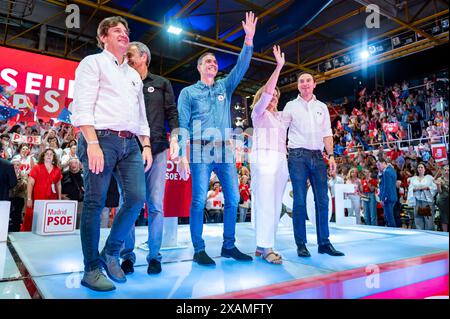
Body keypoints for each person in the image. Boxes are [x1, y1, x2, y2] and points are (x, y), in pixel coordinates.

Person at [70, 16, 152, 292]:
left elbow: (140, 116)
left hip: (130, 145)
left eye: (126, 31)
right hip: (100, 139)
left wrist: (147, 144)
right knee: (95, 203)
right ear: (103, 37)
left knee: (138, 197)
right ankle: (91, 268)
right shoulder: (92, 63)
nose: (124, 34)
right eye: (117, 30)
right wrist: (91, 142)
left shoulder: (133, 75)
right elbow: (81, 105)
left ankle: (110, 252)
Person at [177, 12, 257, 266]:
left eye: (214, 62)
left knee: (233, 199)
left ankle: (229, 246)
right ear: (199, 67)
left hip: (224, 151)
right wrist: (181, 154)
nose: (212, 64)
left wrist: (248, 40)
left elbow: (241, 67)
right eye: (207, 61)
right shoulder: (188, 93)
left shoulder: (224, 87)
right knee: (199, 200)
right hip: (200, 150)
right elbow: (182, 125)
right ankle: (199, 249)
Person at [120, 41, 180, 276]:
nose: (128, 59)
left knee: (155, 206)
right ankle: (127, 256)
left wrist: (175, 138)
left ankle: (154, 256)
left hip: (158, 150)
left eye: (131, 55)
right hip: (129, 151)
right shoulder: (124, 82)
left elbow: (172, 113)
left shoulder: (161, 83)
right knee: (130, 204)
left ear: (144, 57)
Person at [284, 72, 344, 257]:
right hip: (297, 156)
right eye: (301, 81)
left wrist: (331, 156)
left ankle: (324, 243)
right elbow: (281, 130)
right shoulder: (290, 106)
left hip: (318, 156)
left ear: (314, 84)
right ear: (297, 85)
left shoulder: (321, 107)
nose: (305, 83)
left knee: (323, 201)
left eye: (308, 80)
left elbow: (327, 133)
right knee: (300, 201)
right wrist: (284, 151)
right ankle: (301, 244)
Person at [250, 45, 290, 264]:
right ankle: (267, 248)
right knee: (266, 202)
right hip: (263, 157)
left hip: (280, 159)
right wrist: (279, 67)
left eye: (276, 95)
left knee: (274, 204)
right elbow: (266, 92)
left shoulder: (280, 117)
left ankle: (261, 245)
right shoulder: (258, 112)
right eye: (271, 94)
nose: (273, 97)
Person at [21, 149, 62, 231]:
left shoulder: (57, 169)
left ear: (54, 157)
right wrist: (29, 198)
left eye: (51, 154)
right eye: (47, 154)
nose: (49, 155)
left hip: (52, 199)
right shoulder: (37, 168)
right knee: (33, 220)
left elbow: (58, 184)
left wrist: (59, 199)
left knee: (48, 221)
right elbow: (30, 183)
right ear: (43, 156)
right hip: (37, 198)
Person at [407, 163, 437, 230]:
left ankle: (429, 233)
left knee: (427, 219)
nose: (420, 169)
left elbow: (434, 187)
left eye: (421, 167)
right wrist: (415, 189)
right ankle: (419, 233)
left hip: (426, 201)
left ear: (424, 169)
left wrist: (427, 187)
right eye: (418, 167)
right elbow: (410, 188)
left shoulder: (429, 177)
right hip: (417, 201)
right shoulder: (414, 178)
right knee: (418, 218)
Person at [61, 158, 84, 229]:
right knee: (67, 221)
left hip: (80, 202)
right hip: (67, 202)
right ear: (69, 165)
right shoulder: (64, 174)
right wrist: (61, 195)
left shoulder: (84, 174)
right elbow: (57, 186)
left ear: (79, 165)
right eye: (71, 163)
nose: (73, 165)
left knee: (78, 220)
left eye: (75, 163)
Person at [377, 158, 398, 227]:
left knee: (389, 218)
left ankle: (393, 233)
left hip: (388, 198)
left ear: (384, 163)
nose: (378, 167)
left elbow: (387, 186)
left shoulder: (386, 172)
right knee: (389, 217)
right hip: (392, 196)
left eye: (379, 165)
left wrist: (383, 198)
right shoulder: (391, 170)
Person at [434, 165, 449, 232]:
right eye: (445, 170)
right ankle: (445, 234)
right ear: (443, 171)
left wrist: (445, 185)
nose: (446, 172)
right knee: (444, 218)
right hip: (443, 201)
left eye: (448, 170)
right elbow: (439, 191)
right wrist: (438, 185)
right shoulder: (440, 179)